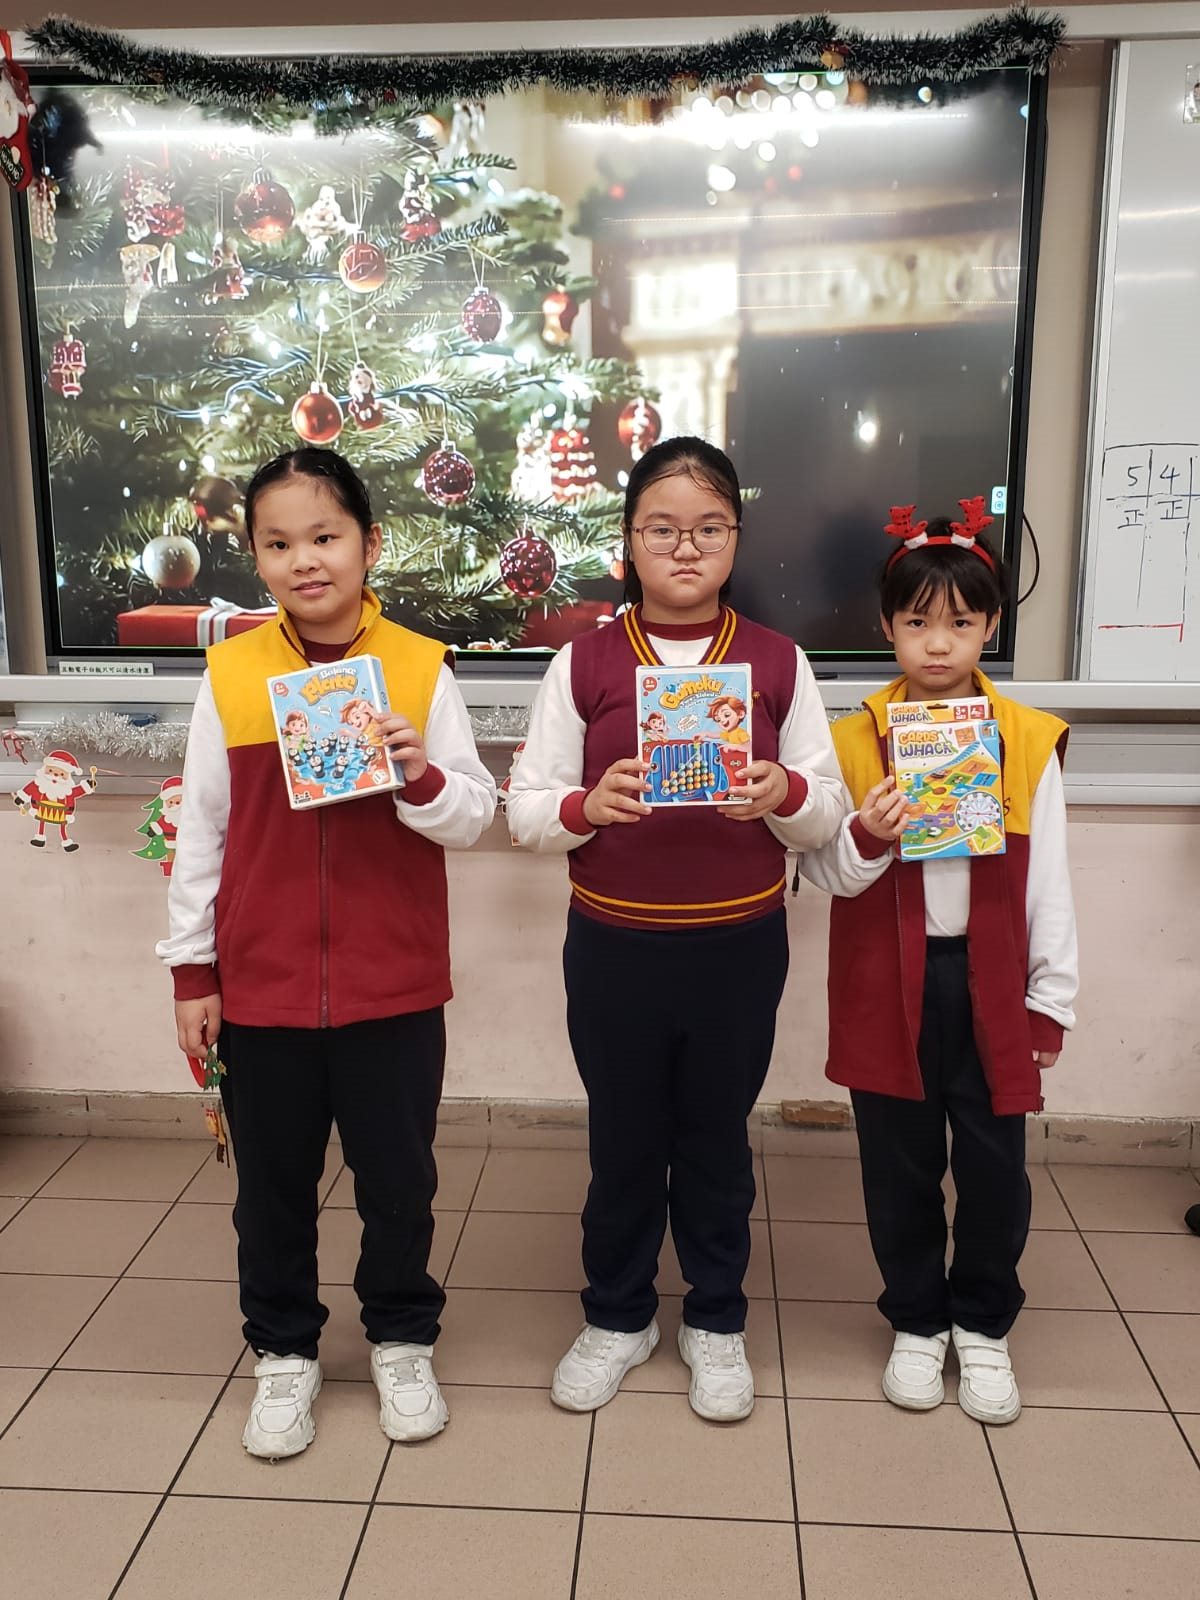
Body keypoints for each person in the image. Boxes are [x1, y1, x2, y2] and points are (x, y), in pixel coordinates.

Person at [157, 446, 496, 1460]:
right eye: (278, 544)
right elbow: (203, 833)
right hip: (262, 988)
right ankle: (283, 1350)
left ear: (368, 544)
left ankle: (401, 1337)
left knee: (399, 1181)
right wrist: (192, 971)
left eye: (325, 536)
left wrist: (417, 775)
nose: (304, 560)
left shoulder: (421, 668)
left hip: (394, 986)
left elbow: (473, 815)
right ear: (257, 558)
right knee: (271, 1190)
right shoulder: (232, 675)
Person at [507, 435, 845, 1422]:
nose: (685, 548)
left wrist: (783, 792)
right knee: (623, 1141)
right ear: (628, 541)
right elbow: (525, 810)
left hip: (738, 946)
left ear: (736, 538)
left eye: (708, 528)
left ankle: (715, 1318)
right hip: (614, 945)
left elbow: (827, 808)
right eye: (662, 529)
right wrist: (586, 806)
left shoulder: (777, 662)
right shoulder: (585, 662)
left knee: (715, 1142)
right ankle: (617, 1316)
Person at [800, 498, 1078, 1425]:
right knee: (900, 1164)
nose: (937, 643)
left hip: (991, 985)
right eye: (916, 622)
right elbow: (828, 877)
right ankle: (918, 1321)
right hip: (889, 986)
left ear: (991, 626)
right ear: (886, 627)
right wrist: (869, 835)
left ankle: (984, 1325)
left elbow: (1052, 883)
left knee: (996, 1165)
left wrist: (1050, 1001)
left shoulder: (1025, 740)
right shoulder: (852, 742)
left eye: (960, 622)